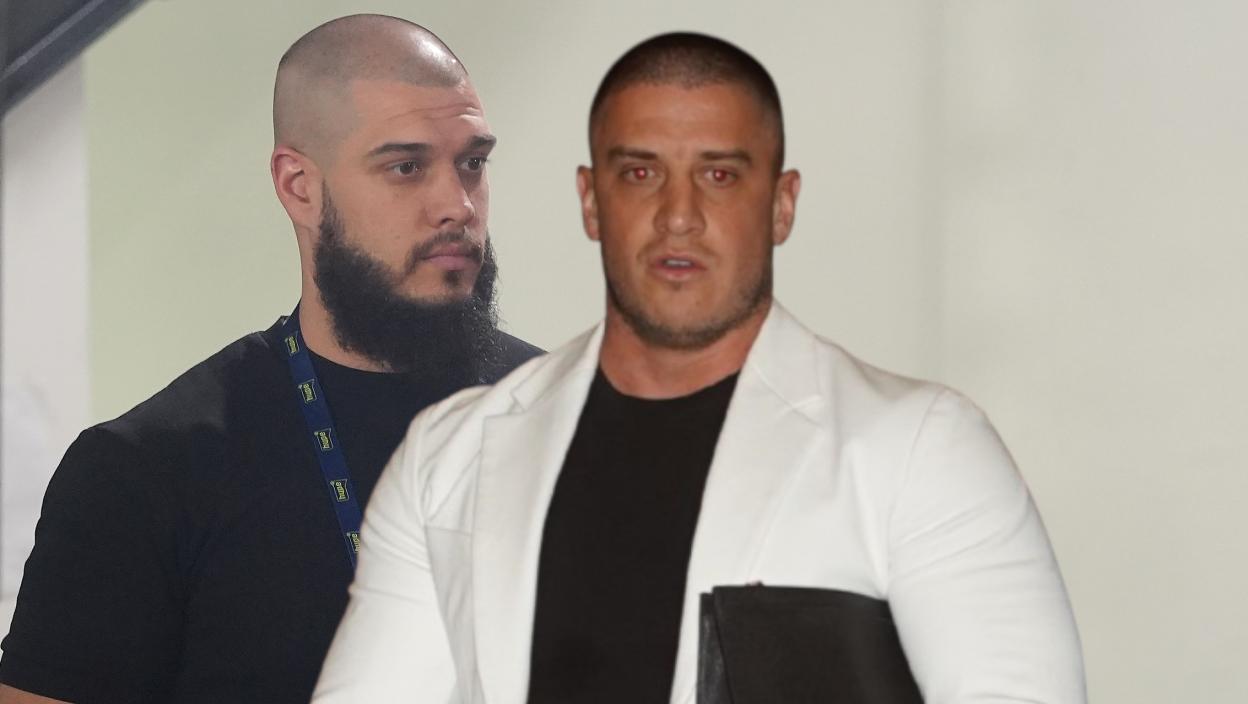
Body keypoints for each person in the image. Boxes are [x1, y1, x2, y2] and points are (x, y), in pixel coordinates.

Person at [311, 32, 1086, 704]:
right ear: (591, 200)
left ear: (781, 203)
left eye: (719, 174)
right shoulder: (449, 456)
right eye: (640, 173)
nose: (678, 216)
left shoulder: (921, 449)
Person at [0, 14, 540, 704]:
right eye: (406, 167)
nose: (456, 205)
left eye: (473, 163)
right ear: (299, 186)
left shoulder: (583, 422)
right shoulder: (145, 474)